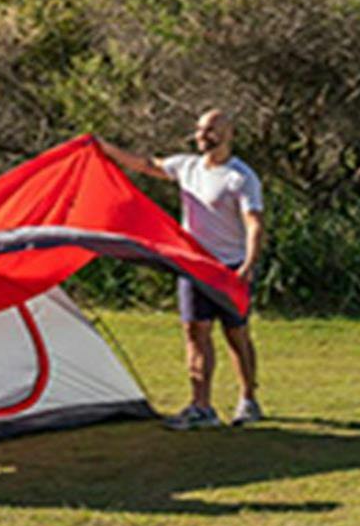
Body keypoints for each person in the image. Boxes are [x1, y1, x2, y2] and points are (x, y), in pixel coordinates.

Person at [97, 109, 265, 430]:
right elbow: (145, 165)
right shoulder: (186, 166)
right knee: (195, 332)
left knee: (236, 334)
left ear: (229, 134)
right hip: (193, 266)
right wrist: (104, 148)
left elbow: (254, 223)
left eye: (212, 130)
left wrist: (248, 264)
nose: (204, 136)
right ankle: (201, 407)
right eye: (201, 130)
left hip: (229, 268)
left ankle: (248, 399)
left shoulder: (240, 177)